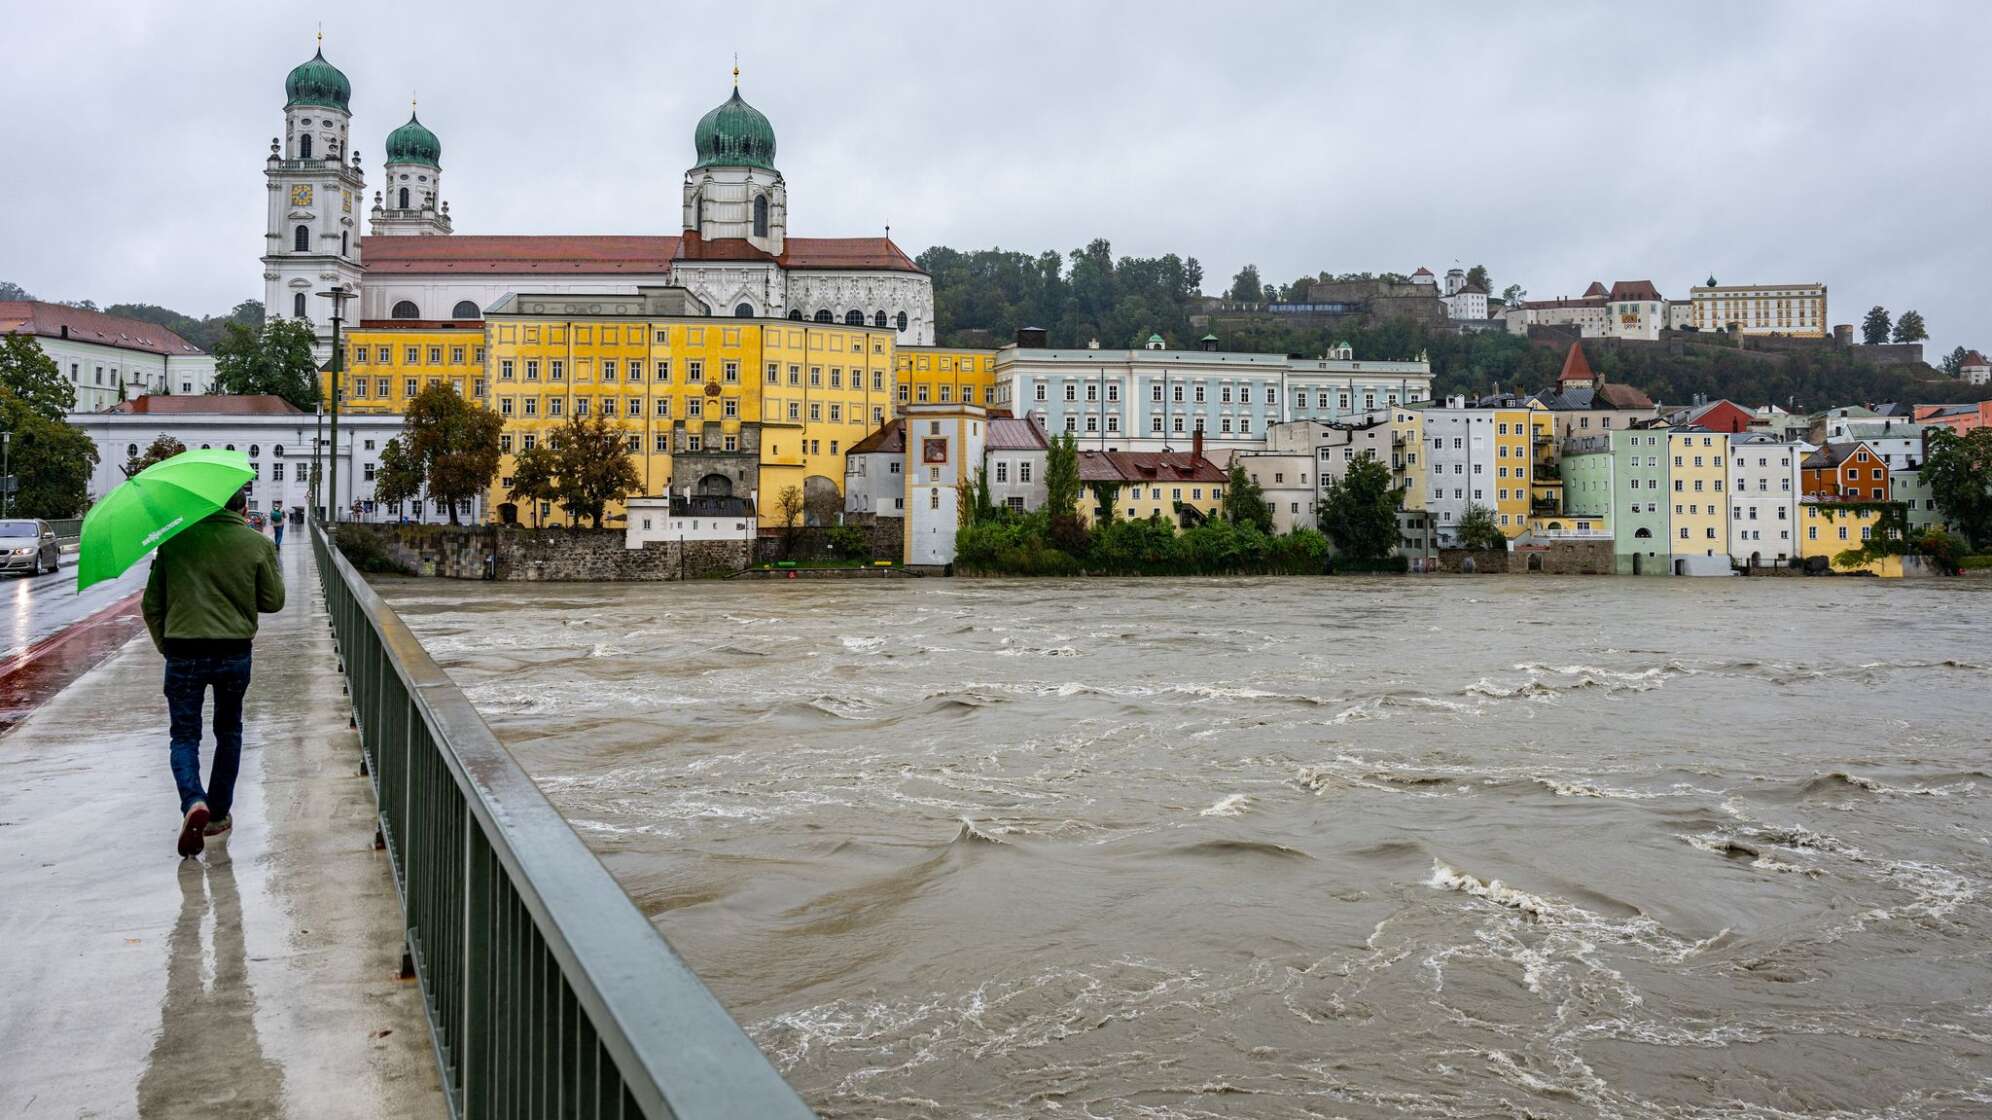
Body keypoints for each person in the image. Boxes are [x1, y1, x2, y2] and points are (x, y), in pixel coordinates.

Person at [142, 485, 285, 858]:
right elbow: (273, 601)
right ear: (243, 507)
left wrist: (166, 646)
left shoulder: (174, 543)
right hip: (234, 651)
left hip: (184, 650)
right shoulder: (256, 543)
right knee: (229, 729)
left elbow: (151, 605)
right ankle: (218, 813)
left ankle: (193, 800)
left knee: (185, 736)